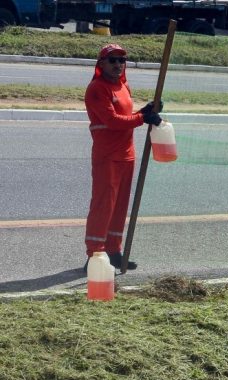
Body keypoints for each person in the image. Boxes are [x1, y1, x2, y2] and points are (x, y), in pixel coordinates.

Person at [84, 43, 162, 272]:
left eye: (122, 60)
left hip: (127, 154)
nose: (118, 64)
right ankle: (95, 255)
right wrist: (142, 118)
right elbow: (112, 121)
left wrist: (145, 111)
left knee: (119, 206)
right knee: (103, 206)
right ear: (101, 64)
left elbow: (127, 117)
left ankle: (113, 252)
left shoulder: (123, 85)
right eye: (112, 60)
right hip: (107, 156)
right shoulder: (97, 88)